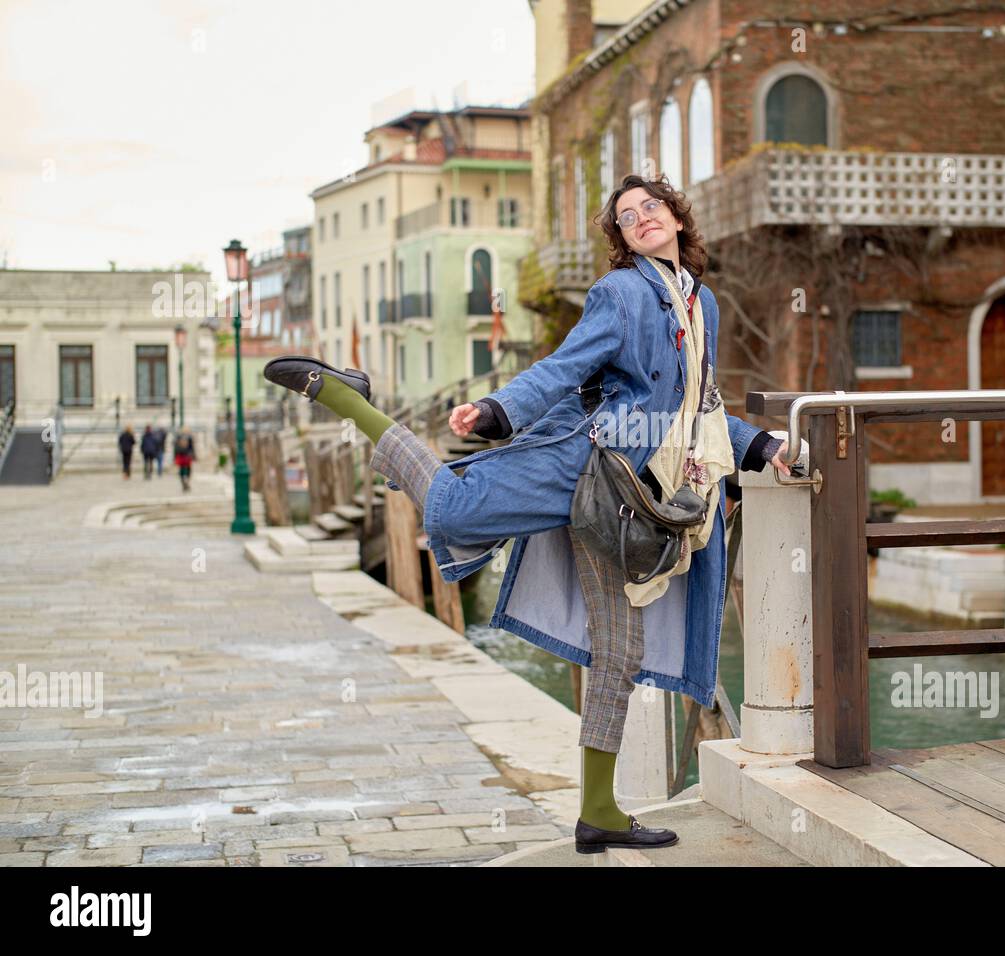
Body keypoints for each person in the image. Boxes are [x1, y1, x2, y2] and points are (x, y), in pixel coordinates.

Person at [262, 172, 794, 855]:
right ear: (624, 241)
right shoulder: (621, 292)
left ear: (677, 218)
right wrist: (495, 410)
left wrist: (763, 446)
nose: (642, 218)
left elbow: (705, 405)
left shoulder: (703, 303)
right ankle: (349, 401)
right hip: (590, 467)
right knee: (451, 511)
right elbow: (563, 368)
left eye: (651, 207)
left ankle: (599, 811)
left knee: (621, 652)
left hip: (643, 505)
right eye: (628, 217)